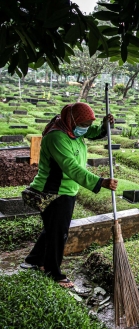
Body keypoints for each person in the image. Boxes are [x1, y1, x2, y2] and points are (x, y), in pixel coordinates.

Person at [20, 103, 117, 289]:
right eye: (84, 124)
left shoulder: (72, 129)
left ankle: (33, 260)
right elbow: (71, 167)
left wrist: (105, 125)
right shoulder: (57, 136)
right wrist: (100, 182)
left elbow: (93, 132)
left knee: (53, 228)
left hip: (67, 189)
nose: (86, 128)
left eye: (88, 124)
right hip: (54, 192)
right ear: (73, 121)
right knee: (58, 233)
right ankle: (53, 272)